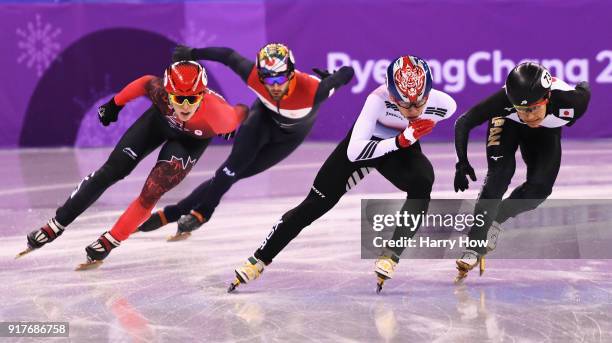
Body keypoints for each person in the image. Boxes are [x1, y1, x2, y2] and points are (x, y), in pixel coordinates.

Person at [226, 55, 457, 293]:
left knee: (423, 183)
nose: (413, 111)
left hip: (398, 149)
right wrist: (402, 139)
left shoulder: (445, 105)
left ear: (428, 94)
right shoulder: (376, 101)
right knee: (314, 205)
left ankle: (392, 253)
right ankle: (259, 259)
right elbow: (356, 152)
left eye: (419, 103)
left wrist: (404, 142)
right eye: (404, 104)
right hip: (365, 146)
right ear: (390, 95)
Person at [17, 60, 247, 270]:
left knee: (152, 192)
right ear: (168, 93)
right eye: (179, 99)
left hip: (189, 143)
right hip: (158, 123)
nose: (185, 106)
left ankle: (109, 241)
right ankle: (57, 224)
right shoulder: (159, 93)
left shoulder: (220, 116)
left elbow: (241, 111)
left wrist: (234, 126)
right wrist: (114, 104)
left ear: (203, 95)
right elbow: (144, 82)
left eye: (193, 99)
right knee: (112, 171)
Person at [136, 43, 354, 241]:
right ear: (260, 75)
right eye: (268, 79)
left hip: (288, 139)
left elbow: (347, 73)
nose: (275, 86)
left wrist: (332, 78)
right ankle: (199, 213)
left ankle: (178, 211)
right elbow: (228, 56)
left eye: (280, 79)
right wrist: (193, 53)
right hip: (262, 121)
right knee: (228, 171)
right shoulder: (253, 76)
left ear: (291, 74)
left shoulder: (315, 90)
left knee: (238, 173)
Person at [453, 62, 591, 282]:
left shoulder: (572, 102)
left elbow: (585, 90)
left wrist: (582, 87)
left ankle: (497, 218)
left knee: (540, 189)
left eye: (534, 108)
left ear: (547, 98)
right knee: (500, 174)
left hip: (547, 129)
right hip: (507, 123)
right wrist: (461, 161)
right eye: (522, 109)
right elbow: (463, 122)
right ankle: (474, 244)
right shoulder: (503, 102)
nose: (528, 116)